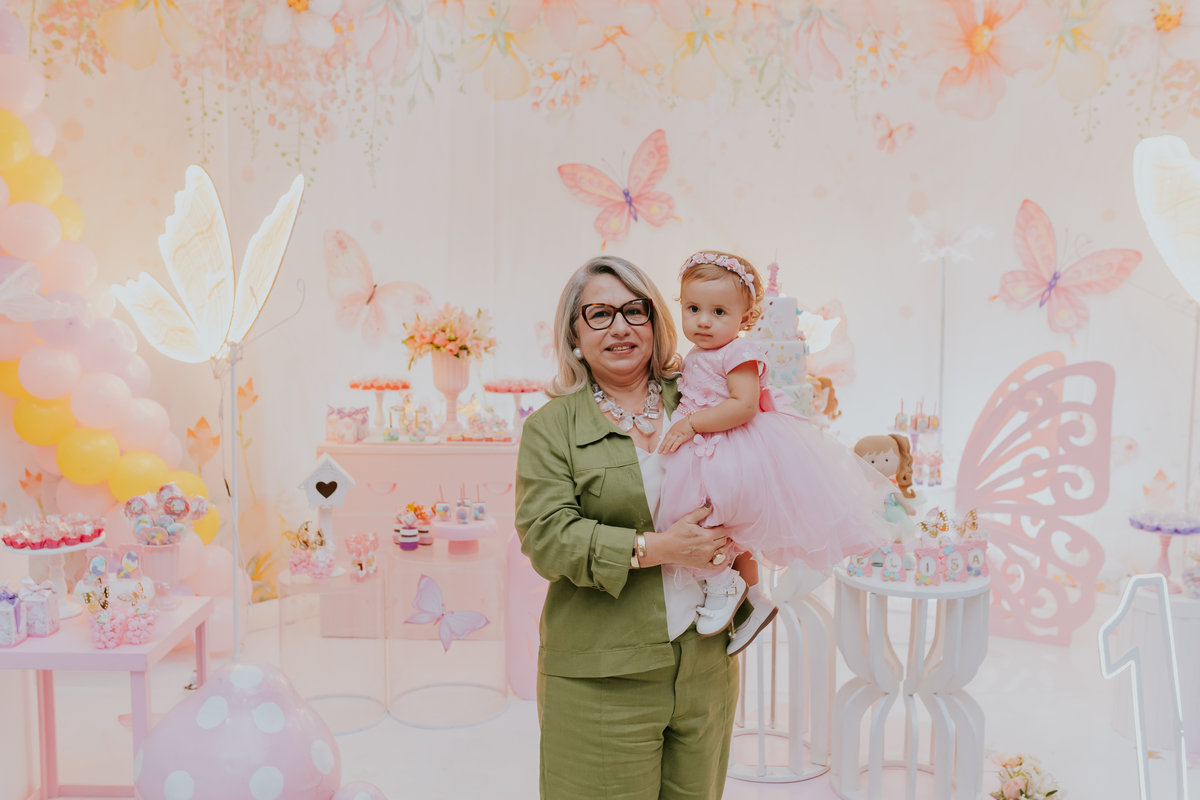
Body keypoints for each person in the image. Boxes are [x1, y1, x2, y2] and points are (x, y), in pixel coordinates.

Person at [515, 255, 746, 800]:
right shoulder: (552, 428)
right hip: (601, 678)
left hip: (705, 669)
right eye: (598, 314)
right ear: (574, 334)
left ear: (655, 322)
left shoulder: (701, 399)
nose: (619, 326)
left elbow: (757, 471)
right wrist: (659, 548)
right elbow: (546, 536)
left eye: (633, 311)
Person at [656, 250, 893, 637]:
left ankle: (723, 585)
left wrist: (691, 425)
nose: (703, 321)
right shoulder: (697, 353)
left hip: (732, 446)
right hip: (703, 449)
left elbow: (745, 405)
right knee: (697, 518)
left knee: (710, 512)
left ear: (745, 318)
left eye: (719, 312)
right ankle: (745, 598)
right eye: (694, 308)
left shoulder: (739, 352)